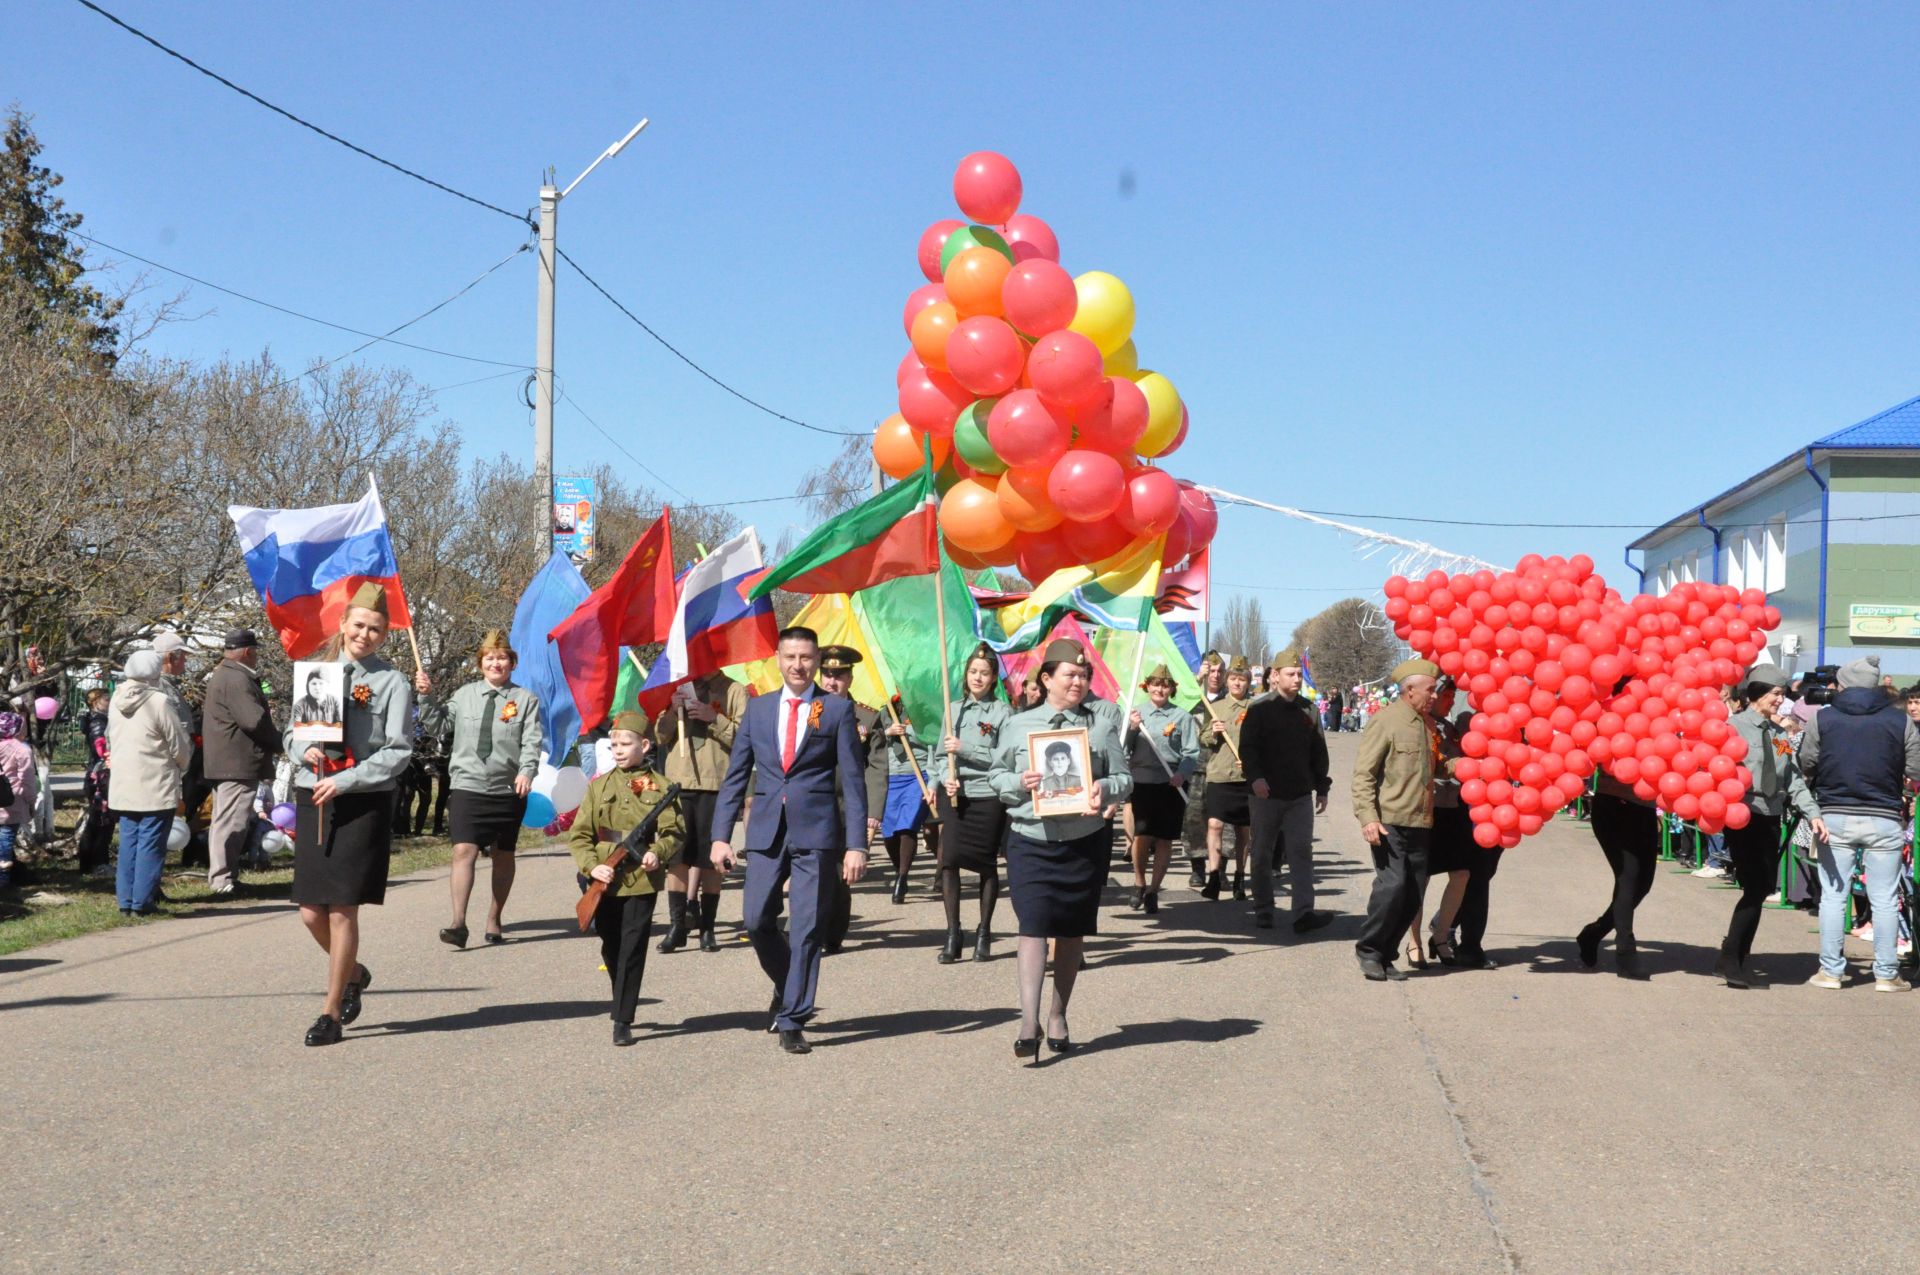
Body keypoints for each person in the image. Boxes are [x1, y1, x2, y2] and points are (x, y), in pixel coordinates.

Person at [710, 626, 869, 1055]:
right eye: (790, 657)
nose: (798, 666)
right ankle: (788, 982)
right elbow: (736, 776)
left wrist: (857, 845)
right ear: (778, 660)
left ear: (816, 661)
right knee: (756, 921)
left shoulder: (834, 710)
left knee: (806, 927)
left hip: (816, 833)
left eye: (806, 658)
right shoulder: (759, 711)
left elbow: (854, 783)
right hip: (764, 831)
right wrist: (720, 837)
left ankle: (793, 1016)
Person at [990, 638, 1132, 1060]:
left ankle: (1057, 1012)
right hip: (1030, 840)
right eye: (1070, 674)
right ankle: (1027, 1020)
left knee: (1070, 932)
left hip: (1082, 842)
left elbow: (1124, 780)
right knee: (1032, 926)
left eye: (1084, 674)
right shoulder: (1018, 725)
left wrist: (1104, 788)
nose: (1078, 680)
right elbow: (997, 776)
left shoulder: (1102, 724)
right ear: (1046, 678)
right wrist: (1019, 783)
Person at [285, 583, 414, 1047]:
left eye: (375, 629)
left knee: (342, 909)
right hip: (313, 793)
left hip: (362, 801)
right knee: (307, 911)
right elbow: (290, 735)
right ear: (342, 624)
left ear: (384, 635)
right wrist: (305, 749)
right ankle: (355, 972)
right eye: (358, 625)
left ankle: (331, 1011)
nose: (365, 634)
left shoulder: (391, 682)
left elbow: (398, 751)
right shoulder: (317, 674)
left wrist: (347, 779)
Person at [1798, 655, 1920, 991]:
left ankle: (1831, 972)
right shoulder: (1900, 721)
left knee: (1834, 897)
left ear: (1844, 684)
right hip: (1884, 817)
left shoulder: (1823, 718)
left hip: (1834, 816)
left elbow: (1806, 760)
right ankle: (1886, 973)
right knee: (1883, 898)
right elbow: (1916, 769)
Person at [569, 710, 684, 1046]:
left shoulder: (662, 788)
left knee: (633, 947)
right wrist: (592, 866)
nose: (618, 749)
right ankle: (623, 994)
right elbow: (580, 835)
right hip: (605, 875)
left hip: (640, 878)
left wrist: (656, 852)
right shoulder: (599, 786)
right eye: (614, 743)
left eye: (626, 743)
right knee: (612, 945)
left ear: (644, 744)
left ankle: (622, 1017)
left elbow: (674, 832)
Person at [1713, 664, 1823, 988]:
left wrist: (1813, 812)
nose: (1781, 700)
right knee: (1755, 885)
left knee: (1760, 888)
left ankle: (1737, 957)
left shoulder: (1779, 735)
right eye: (1776, 693)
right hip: (1743, 813)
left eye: (1782, 694)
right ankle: (1731, 957)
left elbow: (1792, 779)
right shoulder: (1732, 728)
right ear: (1757, 693)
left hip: (1772, 816)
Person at [440, 629, 544, 947]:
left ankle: (494, 917)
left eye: (501, 658)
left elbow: (531, 742)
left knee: (503, 855)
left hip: (507, 789)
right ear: (480, 663)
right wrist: (425, 697)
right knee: (463, 851)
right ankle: (458, 923)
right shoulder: (462, 695)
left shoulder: (525, 700)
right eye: (489, 658)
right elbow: (439, 726)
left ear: (511, 663)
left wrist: (527, 771)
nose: (495, 663)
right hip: (467, 785)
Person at [1350, 659, 1449, 982]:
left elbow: (1437, 766)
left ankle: (1385, 953)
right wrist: (1367, 817)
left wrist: (1472, 765)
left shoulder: (1428, 724)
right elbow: (1364, 774)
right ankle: (1369, 950)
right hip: (1389, 820)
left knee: (1413, 894)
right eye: (1430, 690)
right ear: (1409, 690)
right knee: (1392, 887)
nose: (1435, 696)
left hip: (1421, 820)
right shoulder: (1386, 722)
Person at [653, 671, 751, 953]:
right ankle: (677, 925)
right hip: (678, 783)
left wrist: (713, 718)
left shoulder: (733, 690)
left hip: (716, 784)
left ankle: (708, 927)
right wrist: (672, 710)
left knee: (711, 859)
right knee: (677, 857)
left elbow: (745, 737)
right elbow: (660, 735)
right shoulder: (676, 686)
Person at [1239, 648, 1331, 933]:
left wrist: (1322, 786)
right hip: (1266, 795)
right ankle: (1264, 909)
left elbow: (1318, 751)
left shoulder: (1309, 710)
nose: (1297, 680)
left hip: (1299, 795)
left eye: (1299, 675)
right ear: (1275, 676)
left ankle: (1303, 913)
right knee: (1263, 852)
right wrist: (1255, 778)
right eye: (1291, 674)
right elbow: (1248, 749)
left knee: (1301, 852)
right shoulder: (1258, 708)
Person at [934, 643, 1011, 962]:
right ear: (966, 675)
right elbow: (939, 755)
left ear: (994, 678)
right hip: (956, 796)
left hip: (988, 796)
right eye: (973, 672)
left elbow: (1004, 758)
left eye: (985, 673)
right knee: (948, 861)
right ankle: (954, 932)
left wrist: (966, 749)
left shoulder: (1004, 713)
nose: (978, 677)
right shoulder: (953, 710)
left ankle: (984, 931)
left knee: (986, 865)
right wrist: (944, 776)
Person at [105, 652, 191, 915]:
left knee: (129, 841)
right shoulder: (158, 700)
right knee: (151, 843)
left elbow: (110, 737)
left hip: (123, 781)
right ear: (155, 672)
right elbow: (178, 743)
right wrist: (183, 765)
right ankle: (142, 902)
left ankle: (125, 901)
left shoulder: (115, 699)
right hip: (155, 780)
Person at [815, 645, 887, 955]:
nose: (832, 681)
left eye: (839, 675)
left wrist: (873, 812)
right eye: (827, 674)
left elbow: (877, 767)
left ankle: (834, 932)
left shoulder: (866, 719)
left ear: (850, 676)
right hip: (814, 804)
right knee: (813, 870)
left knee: (841, 874)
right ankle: (811, 930)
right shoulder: (808, 711)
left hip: (848, 809)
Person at [201, 629, 281, 897]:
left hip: (228, 760)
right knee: (231, 823)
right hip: (236, 761)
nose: (257, 656)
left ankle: (225, 876)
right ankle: (222, 880)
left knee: (227, 821)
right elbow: (253, 720)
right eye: (255, 651)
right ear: (247, 652)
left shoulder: (225, 674)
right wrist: (281, 742)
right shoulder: (236, 678)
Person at [1123, 663, 1199, 914]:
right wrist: (1132, 728)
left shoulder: (1182, 717)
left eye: (1165, 685)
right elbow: (1123, 749)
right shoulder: (1136, 714)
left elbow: (1190, 752)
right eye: (1155, 684)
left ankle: (1154, 890)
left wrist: (1182, 773)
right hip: (1143, 781)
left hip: (1171, 783)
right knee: (1142, 835)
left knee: (1165, 839)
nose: (1159, 689)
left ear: (1172, 690)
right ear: (1147, 686)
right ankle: (1139, 882)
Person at [1575, 768, 1661, 980]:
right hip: (1613, 804)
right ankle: (1625, 953)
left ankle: (1593, 934)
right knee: (1628, 877)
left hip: (1645, 808)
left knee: (1643, 884)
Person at [1409, 680, 1471, 967]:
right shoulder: (1417, 725)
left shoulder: (1451, 728)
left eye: (1452, 696)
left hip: (1453, 807)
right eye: (1446, 695)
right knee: (1420, 878)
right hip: (1425, 809)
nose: (1449, 700)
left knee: (1461, 873)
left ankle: (1441, 933)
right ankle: (1414, 941)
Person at [1198, 655, 1255, 900]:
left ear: (1248, 683)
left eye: (1242, 679)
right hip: (1220, 775)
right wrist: (1213, 731)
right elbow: (1203, 738)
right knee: (1215, 824)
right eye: (1233, 678)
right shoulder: (1216, 707)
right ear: (1227, 681)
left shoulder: (1257, 709)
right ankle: (1213, 875)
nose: (1237, 684)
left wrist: (1253, 761)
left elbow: (1265, 742)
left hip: (1245, 777)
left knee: (1244, 831)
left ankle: (1240, 877)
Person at [876, 699, 940, 905]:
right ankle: (899, 869)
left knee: (907, 826)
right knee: (889, 832)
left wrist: (934, 781)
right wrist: (887, 733)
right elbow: (868, 742)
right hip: (889, 778)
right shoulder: (882, 713)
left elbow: (934, 747)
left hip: (917, 776)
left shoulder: (925, 711)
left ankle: (902, 878)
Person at [1183, 652, 1225, 888]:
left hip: (1223, 767)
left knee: (1223, 823)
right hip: (1197, 767)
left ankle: (1220, 869)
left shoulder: (1231, 699)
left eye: (1220, 671)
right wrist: (1196, 680)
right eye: (1211, 670)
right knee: (1195, 819)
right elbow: (1175, 706)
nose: (1215, 675)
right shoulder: (1192, 699)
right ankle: (1197, 867)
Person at [77, 688, 114, 879]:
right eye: (106, 698)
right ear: (95, 702)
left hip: (98, 775)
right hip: (99, 777)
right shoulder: (99, 721)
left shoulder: (99, 719)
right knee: (102, 821)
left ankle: (90, 861)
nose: (110, 701)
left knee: (98, 821)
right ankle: (98, 863)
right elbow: (101, 748)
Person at [0, 712, 39, 892]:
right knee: (6, 838)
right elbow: (28, 779)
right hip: (12, 800)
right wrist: (31, 800)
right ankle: (3, 880)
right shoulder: (21, 749)